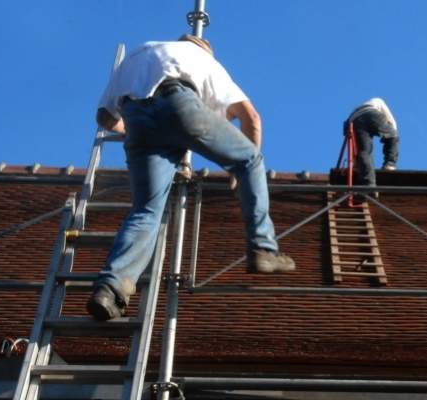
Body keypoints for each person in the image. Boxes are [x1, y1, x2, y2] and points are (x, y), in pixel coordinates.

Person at [88, 35, 295, 321]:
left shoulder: (137, 55)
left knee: (146, 211)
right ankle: (264, 248)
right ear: (206, 50)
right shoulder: (204, 60)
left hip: (137, 118)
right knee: (251, 160)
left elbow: (104, 118)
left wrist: (135, 131)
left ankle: (110, 290)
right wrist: (238, 172)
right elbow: (252, 118)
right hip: (179, 102)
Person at [344, 98, 399, 186]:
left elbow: (352, 142)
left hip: (353, 121)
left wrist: (355, 162)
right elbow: (392, 122)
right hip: (371, 113)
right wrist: (392, 134)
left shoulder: (357, 109)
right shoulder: (378, 101)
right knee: (392, 135)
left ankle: (369, 184)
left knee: (364, 152)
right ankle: (390, 164)